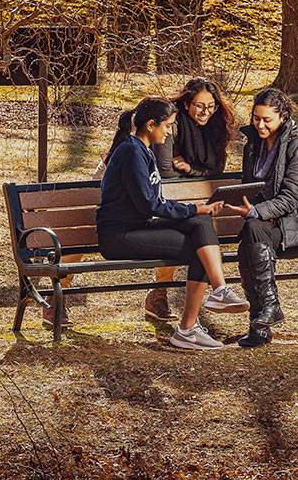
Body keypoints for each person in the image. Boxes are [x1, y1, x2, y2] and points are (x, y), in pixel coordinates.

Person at [95, 96, 250, 350]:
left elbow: (153, 202)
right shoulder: (132, 152)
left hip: (138, 227)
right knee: (198, 246)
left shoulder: (143, 150)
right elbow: (149, 204)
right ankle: (188, 329)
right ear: (150, 125)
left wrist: (196, 211)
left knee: (200, 224)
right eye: (167, 126)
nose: (169, 132)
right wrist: (194, 207)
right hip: (119, 235)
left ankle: (219, 291)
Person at [223, 89, 298, 348]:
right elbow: (251, 188)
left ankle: (260, 322)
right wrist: (251, 208)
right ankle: (268, 313)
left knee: (251, 233)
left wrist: (258, 212)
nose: (260, 125)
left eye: (267, 120)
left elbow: (292, 197)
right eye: (256, 118)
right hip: (266, 224)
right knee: (251, 233)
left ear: (282, 116)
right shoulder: (253, 144)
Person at [146, 77, 238, 319]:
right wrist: (184, 171)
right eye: (199, 105)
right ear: (187, 103)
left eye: (211, 106)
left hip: (190, 190)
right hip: (150, 186)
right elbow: (164, 169)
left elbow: (217, 169)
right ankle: (160, 294)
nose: (205, 112)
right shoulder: (172, 122)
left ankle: (162, 296)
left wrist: (191, 170)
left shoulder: (216, 126)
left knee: (195, 231)